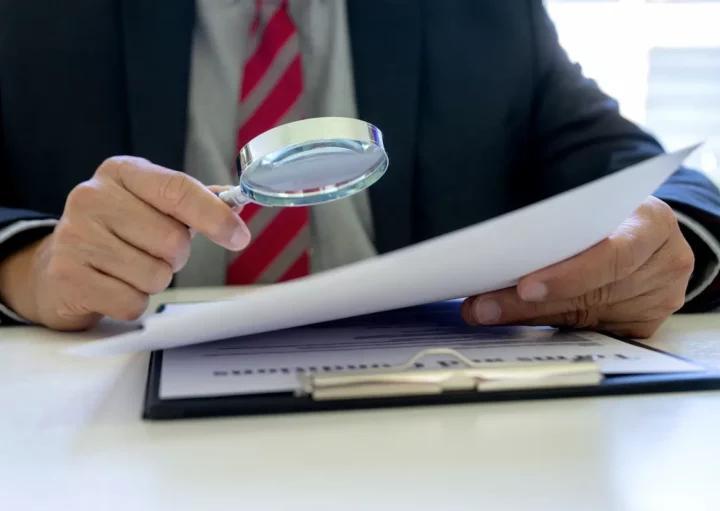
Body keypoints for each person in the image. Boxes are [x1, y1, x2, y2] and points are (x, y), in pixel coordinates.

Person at [1, 0, 719, 336]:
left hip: (430, 412)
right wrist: (29, 267)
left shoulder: (485, 16)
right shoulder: (38, 20)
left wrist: (658, 245)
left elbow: (646, 174)